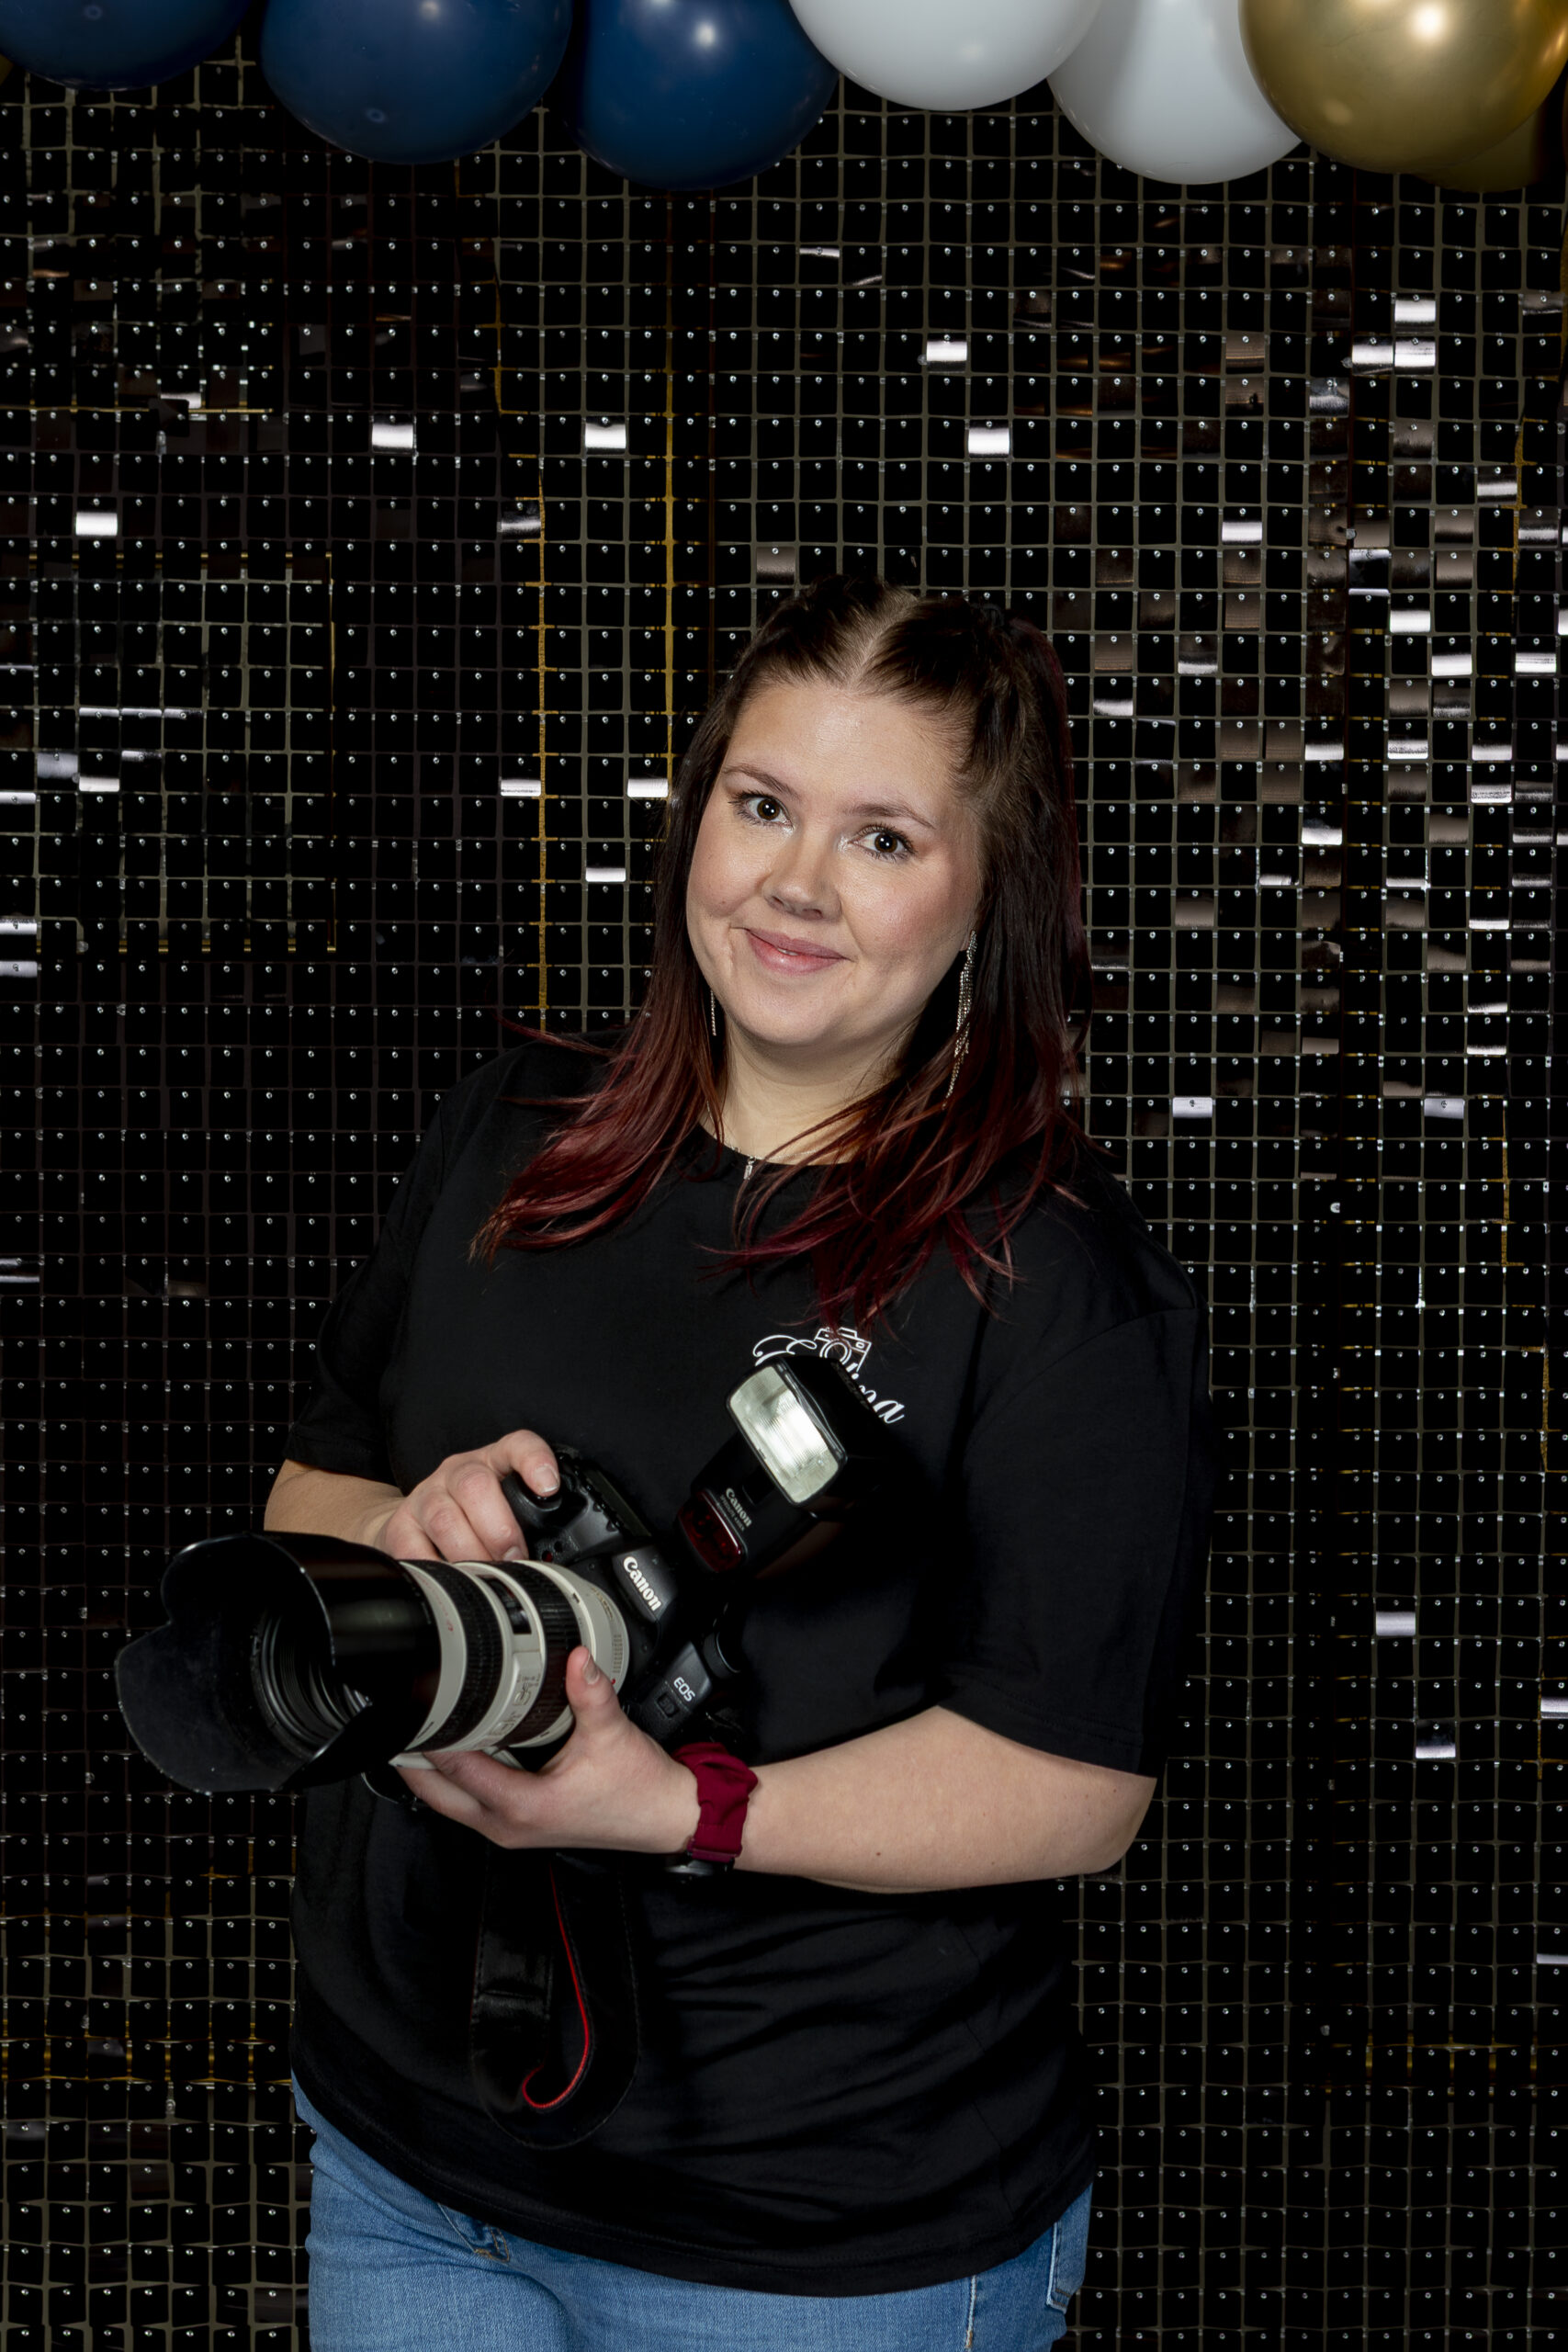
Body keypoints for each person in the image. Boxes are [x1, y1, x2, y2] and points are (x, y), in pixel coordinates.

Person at [265, 576, 1218, 2351]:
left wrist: (683, 1809)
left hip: (807, 2235)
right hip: (402, 2155)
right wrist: (410, 1531)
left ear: (987, 897)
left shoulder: (1055, 1284)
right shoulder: (510, 1129)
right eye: (763, 805)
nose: (794, 882)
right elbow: (308, 1496)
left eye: (881, 838)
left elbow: (1073, 1789)